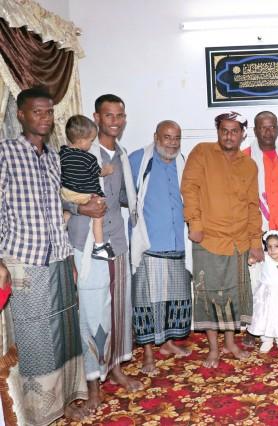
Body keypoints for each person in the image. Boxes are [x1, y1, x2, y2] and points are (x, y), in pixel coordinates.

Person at [0, 87, 88, 424]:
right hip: (22, 260)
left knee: (64, 331)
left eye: (49, 112)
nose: (44, 118)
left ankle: (64, 402)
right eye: (37, 112)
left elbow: (57, 207)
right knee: (33, 335)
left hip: (59, 258)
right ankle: (37, 412)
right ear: (21, 115)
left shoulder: (53, 156)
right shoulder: (6, 153)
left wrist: (69, 258)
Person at [65, 94, 141, 409]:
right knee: (92, 313)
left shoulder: (121, 154)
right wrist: (82, 209)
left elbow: (123, 196)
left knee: (119, 309)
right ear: (96, 118)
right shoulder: (81, 152)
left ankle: (116, 368)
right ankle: (93, 383)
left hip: (116, 242)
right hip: (87, 246)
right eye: (109, 115)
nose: (115, 121)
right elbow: (61, 195)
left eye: (120, 115)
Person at [181, 111, 263, 368]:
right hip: (208, 239)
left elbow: (253, 205)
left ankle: (230, 343)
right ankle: (214, 348)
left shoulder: (249, 165)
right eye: (224, 130)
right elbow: (189, 189)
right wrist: (194, 223)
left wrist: (256, 241)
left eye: (234, 131)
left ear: (242, 134)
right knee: (209, 296)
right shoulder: (201, 152)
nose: (229, 135)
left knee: (233, 295)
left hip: (239, 240)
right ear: (218, 131)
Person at [129, 120, 192, 375]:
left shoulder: (181, 161)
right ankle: (148, 354)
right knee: (147, 301)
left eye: (176, 138)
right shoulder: (139, 159)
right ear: (156, 137)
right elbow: (124, 194)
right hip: (150, 244)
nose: (172, 143)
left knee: (175, 298)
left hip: (178, 242)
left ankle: (167, 343)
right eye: (167, 137)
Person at [243, 111, 278, 347]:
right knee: (258, 284)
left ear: (277, 128)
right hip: (259, 230)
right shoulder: (245, 157)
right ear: (255, 130)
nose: (268, 132)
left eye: (272, 127)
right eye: (263, 127)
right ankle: (254, 327)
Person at [59, 115, 114, 260]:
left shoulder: (62, 154)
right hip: (83, 194)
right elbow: (99, 172)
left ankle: (60, 230)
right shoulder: (89, 158)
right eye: (91, 141)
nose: (91, 144)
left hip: (66, 193)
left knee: (67, 212)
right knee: (98, 215)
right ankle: (99, 246)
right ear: (82, 141)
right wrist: (107, 170)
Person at [247, 230, 278, 353]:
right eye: (269, 246)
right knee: (266, 316)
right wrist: (252, 260)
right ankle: (267, 340)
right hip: (267, 295)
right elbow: (253, 260)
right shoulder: (266, 258)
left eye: (276, 246)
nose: (272, 250)